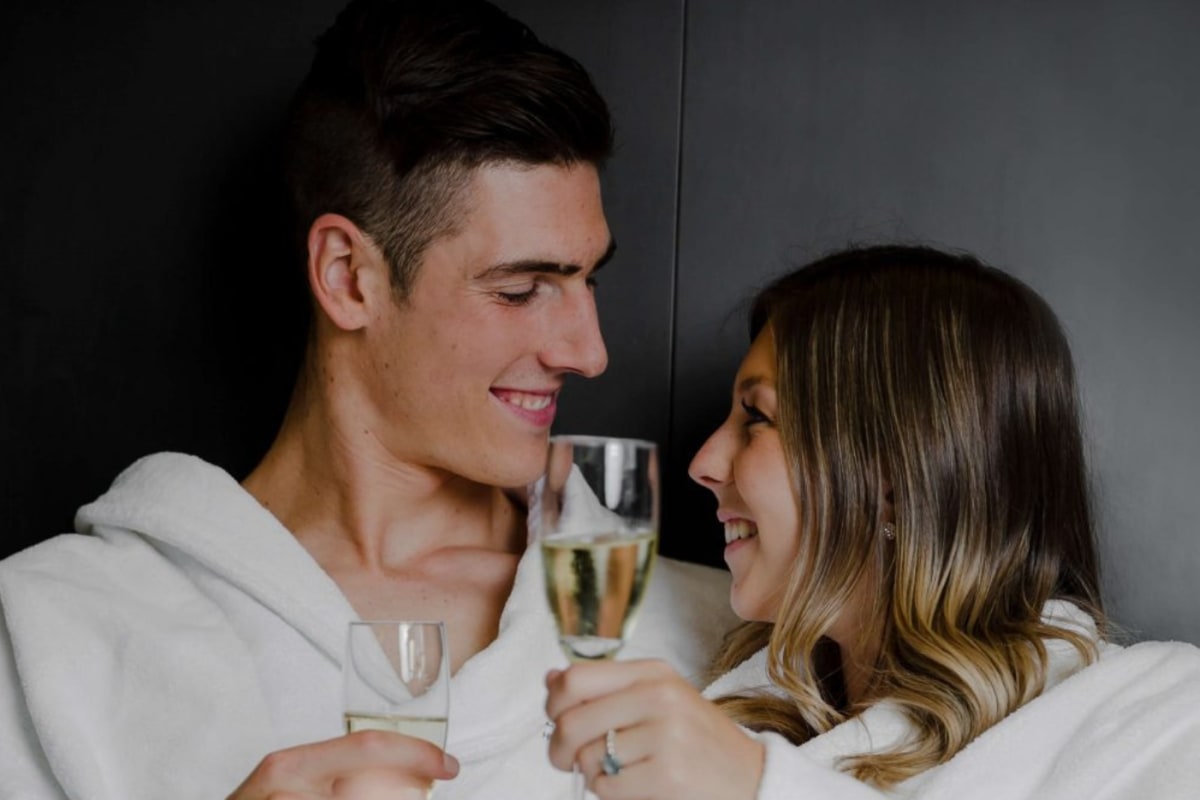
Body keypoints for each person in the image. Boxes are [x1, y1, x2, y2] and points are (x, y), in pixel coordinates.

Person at [0, 2, 738, 798]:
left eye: (585, 280)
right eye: (521, 289)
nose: (588, 353)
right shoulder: (57, 630)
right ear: (348, 277)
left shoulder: (712, 637)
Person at [545, 244, 1200, 799]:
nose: (704, 463)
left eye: (759, 418)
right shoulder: (727, 713)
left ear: (893, 478)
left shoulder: (1154, 717)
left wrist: (759, 785)